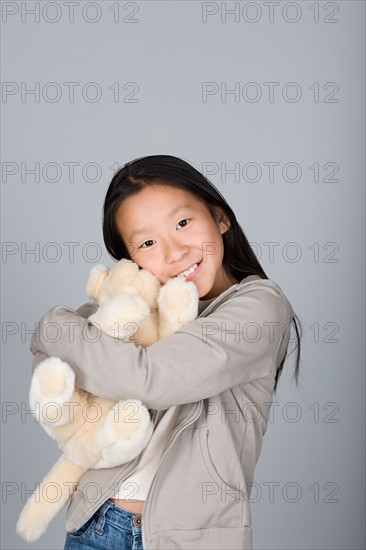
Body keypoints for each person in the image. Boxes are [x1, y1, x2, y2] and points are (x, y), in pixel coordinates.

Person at [30, 154, 302, 550]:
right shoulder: (141, 308)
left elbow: (148, 378)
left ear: (220, 218)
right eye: (148, 242)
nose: (174, 252)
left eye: (183, 223)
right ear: (131, 259)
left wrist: (54, 324)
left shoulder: (259, 306)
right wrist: (74, 340)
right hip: (96, 526)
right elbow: (56, 370)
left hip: (187, 540)